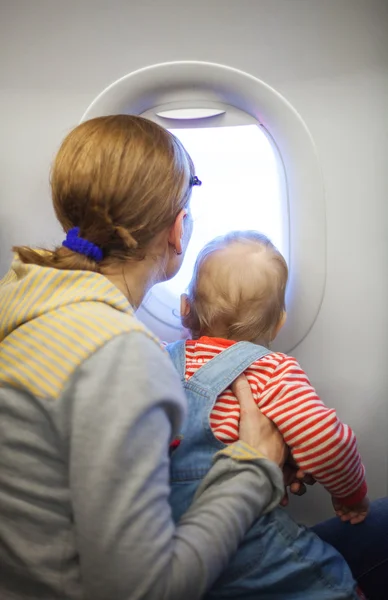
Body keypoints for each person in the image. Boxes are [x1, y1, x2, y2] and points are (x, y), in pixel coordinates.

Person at [0, 115, 289, 600]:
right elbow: (144, 592)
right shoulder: (117, 354)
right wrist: (255, 468)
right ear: (178, 230)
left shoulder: (24, 297)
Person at [166, 230, 369, 598]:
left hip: (170, 544)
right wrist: (351, 494)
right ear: (279, 324)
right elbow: (326, 441)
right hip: (248, 548)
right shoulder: (272, 371)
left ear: (184, 307)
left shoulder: (156, 359)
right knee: (329, 582)